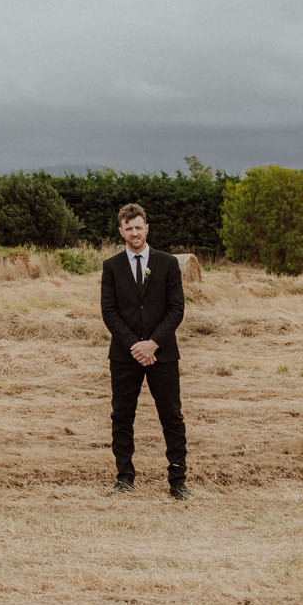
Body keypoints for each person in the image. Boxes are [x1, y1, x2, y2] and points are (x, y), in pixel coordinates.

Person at [100, 203, 189, 499]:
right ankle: (124, 477)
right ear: (121, 231)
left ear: (146, 228)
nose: (134, 233)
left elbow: (177, 308)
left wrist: (153, 343)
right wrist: (134, 345)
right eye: (129, 228)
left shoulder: (167, 263)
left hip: (162, 353)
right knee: (122, 416)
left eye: (139, 227)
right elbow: (109, 312)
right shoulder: (111, 266)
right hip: (125, 355)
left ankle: (178, 481)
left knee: (171, 416)